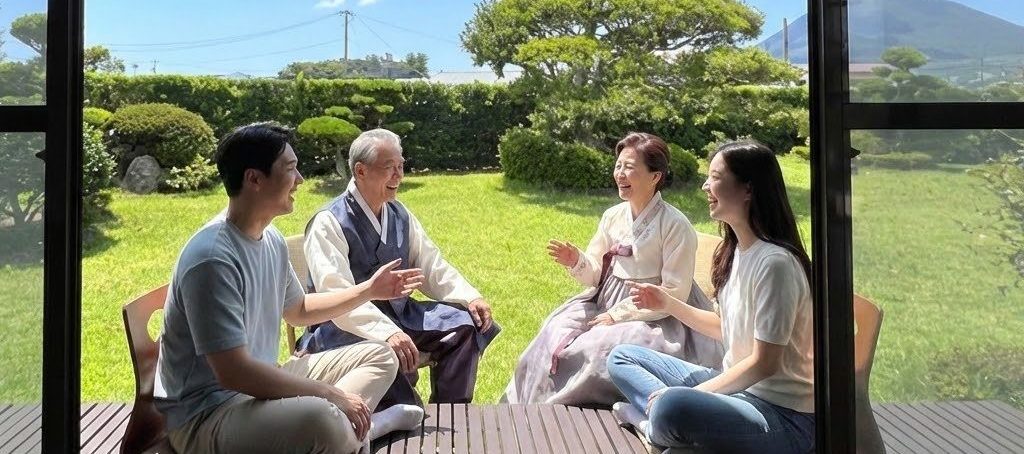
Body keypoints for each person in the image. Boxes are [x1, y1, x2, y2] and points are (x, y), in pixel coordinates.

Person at [153, 122, 427, 454]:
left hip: (261, 381)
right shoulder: (212, 259)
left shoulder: (270, 239)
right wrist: (332, 395)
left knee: (381, 355)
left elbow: (298, 311)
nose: (300, 180)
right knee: (321, 418)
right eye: (290, 169)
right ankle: (366, 428)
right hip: (209, 414)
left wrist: (368, 290)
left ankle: (352, 432)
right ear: (254, 179)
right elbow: (234, 373)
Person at [607, 140, 815, 453]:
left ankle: (651, 425)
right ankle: (670, 427)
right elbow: (724, 327)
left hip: (782, 416)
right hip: (737, 392)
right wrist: (668, 303)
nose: (705, 186)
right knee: (622, 357)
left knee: (673, 406)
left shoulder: (776, 264)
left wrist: (694, 396)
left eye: (715, 177)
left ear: (748, 189)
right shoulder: (736, 252)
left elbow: (764, 364)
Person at [502, 132, 723, 405]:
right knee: (553, 331)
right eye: (618, 166)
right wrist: (577, 261)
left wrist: (618, 315)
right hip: (605, 300)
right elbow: (596, 274)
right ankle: (527, 408)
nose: (620, 174)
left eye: (629, 167)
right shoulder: (612, 216)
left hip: (657, 315)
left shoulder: (675, 225)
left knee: (598, 347)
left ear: (655, 176)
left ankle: (567, 413)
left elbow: (674, 292)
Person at [298, 128, 500, 409]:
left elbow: (431, 265)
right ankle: (406, 417)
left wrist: (469, 297)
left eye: (401, 166)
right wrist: (386, 332)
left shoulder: (399, 214)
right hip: (344, 329)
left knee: (465, 325)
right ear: (360, 171)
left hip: (400, 316)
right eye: (389, 167)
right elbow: (336, 295)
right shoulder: (328, 222)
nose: (398, 175)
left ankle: (451, 411)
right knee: (385, 352)